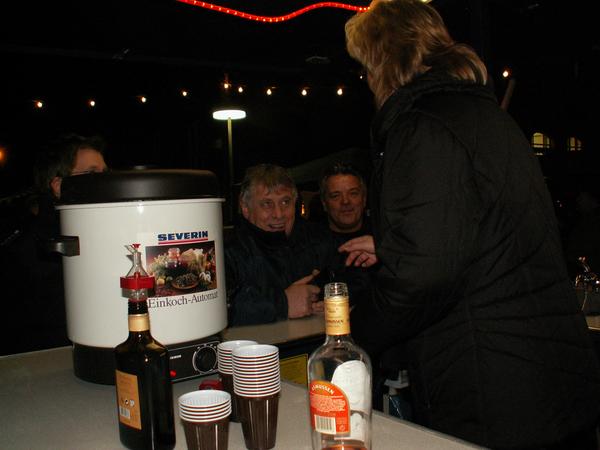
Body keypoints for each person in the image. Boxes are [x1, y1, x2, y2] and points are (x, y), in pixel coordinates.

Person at [339, 1, 600, 448]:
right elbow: (489, 231)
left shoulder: (423, 125)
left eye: (366, 66)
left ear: (385, 61)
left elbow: (421, 279)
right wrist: (394, 243)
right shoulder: (486, 116)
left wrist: (349, 334)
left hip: (494, 389)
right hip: (549, 377)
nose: (365, 79)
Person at [0, 133, 107, 355]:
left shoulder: (99, 230)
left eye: (104, 174)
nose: (104, 181)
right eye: (91, 174)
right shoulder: (33, 245)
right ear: (59, 186)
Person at [225, 163, 341, 326]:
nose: (278, 214)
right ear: (245, 208)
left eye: (285, 202)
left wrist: (326, 297)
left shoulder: (319, 239)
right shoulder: (227, 253)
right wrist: (283, 304)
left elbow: (354, 282)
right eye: (267, 204)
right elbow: (217, 311)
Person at [319, 162, 369, 238]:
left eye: (353, 193)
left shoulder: (383, 238)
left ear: (364, 199)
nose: (345, 201)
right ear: (324, 203)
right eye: (336, 196)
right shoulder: (308, 242)